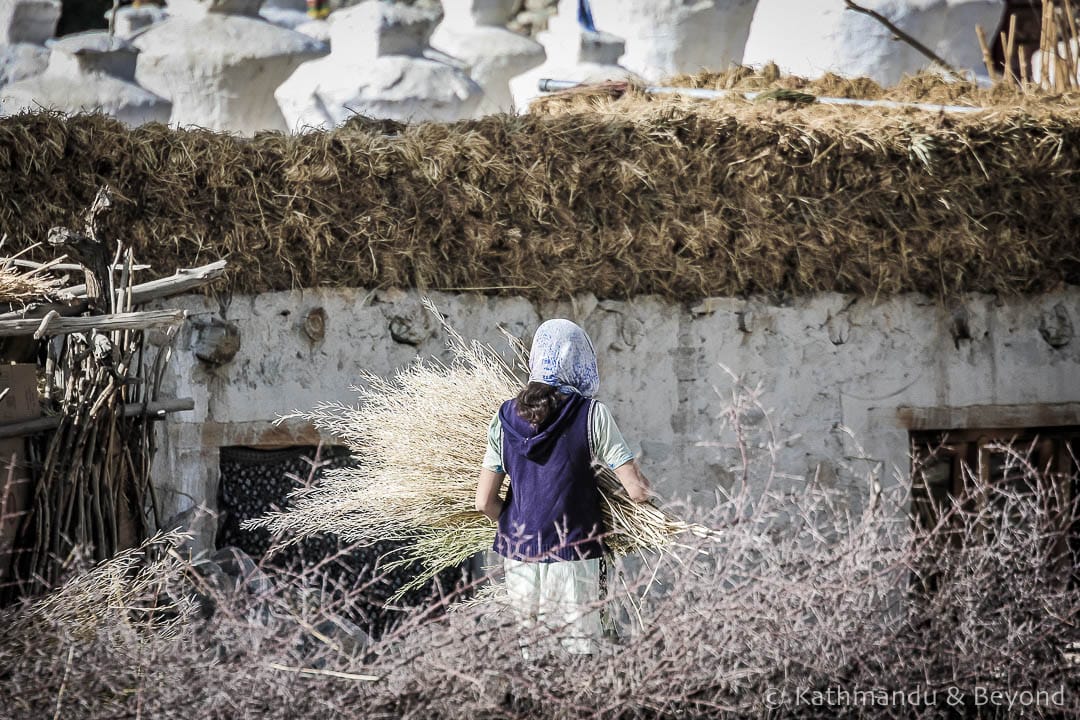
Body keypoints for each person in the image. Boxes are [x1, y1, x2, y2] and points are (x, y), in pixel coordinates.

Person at [475, 319, 651, 655]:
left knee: (533, 657)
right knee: (578, 659)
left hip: (519, 556)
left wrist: (518, 525)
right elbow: (637, 492)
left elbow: (484, 500)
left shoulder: (503, 417)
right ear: (580, 360)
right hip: (575, 552)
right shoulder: (592, 414)